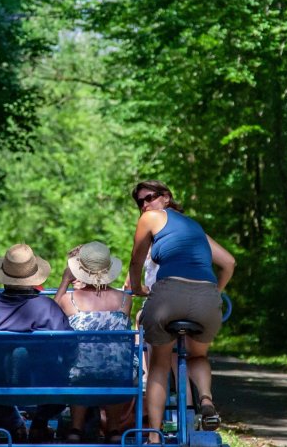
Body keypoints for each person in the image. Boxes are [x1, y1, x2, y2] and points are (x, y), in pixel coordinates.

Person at [126, 180, 236, 442]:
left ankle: (154, 437)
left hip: (169, 295)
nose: (144, 205)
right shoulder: (193, 227)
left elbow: (135, 260)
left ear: (166, 197)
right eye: (139, 202)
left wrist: (139, 287)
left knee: (159, 366)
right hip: (207, 299)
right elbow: (229, 263)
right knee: (197, 356)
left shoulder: (151, 218)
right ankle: (206, 400)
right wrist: (214, 293)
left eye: (149, 197)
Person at [0, 243, 71, 443]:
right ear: (33, 276)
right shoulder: (48, 308)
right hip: (43, 391)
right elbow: (70, 348)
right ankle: (39, 422)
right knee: (63, 380)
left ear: (4, 274)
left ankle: (12, 425)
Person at [55, 241, 132, 443]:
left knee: (81, 365)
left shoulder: (69, 300)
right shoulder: (125, 299)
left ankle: (76, 429)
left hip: (80, 372)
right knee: (112, 362)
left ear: (79, 271)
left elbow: (51, 317)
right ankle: (114, 430)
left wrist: (64, 282)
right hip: (119, 373)